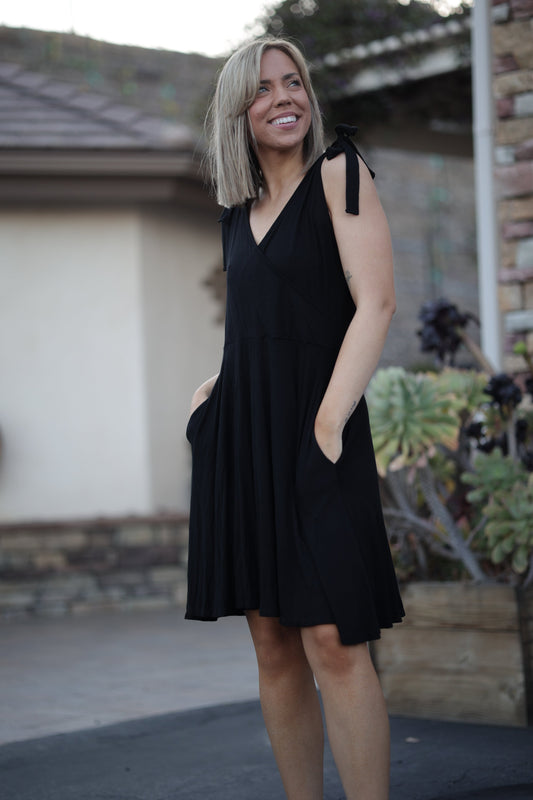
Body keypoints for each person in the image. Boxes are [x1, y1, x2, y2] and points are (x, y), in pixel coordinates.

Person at [185, 35, 404, 800]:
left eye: (292, 83)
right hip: (243, 440)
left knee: (334, 639)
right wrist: (213, 389)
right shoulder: (234, 214)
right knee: (273, 643)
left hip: (319, 433)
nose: (283, 98)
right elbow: (263, 325)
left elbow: (375, 303)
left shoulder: (341, 174)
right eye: (262, 88)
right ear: (237, 112)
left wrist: (327, 424)